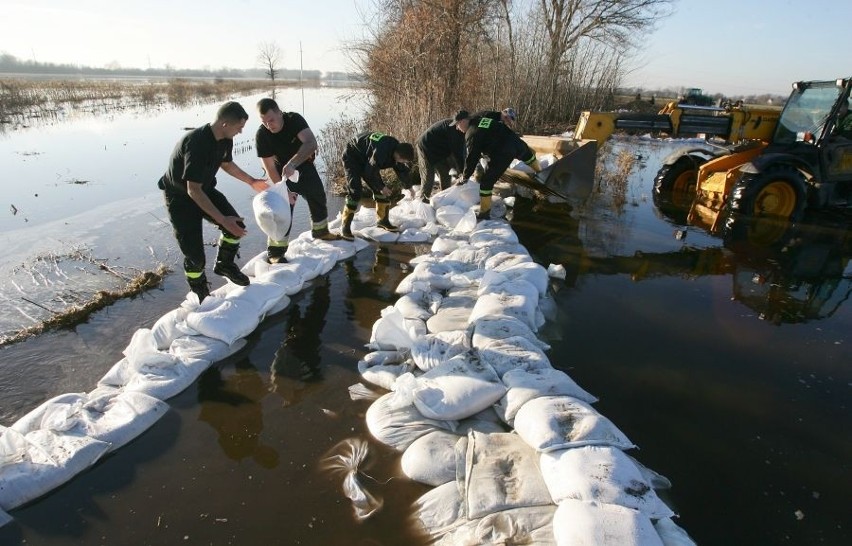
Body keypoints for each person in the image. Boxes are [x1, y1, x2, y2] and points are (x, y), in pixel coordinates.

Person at [158, 101, 268, 302]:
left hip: (205, 190)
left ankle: (225, 264)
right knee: (195, 257)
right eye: (239, 127)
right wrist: (222, 219)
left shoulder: (225, 139)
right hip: (180, 198)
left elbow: (226, 163)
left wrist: (251, 181)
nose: (241, 132)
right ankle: (199, 290)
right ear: (225, 124)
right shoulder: (197, 143)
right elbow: (193, 190)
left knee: (237, 224)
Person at [255, 98, 342, 264]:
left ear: (279, 113)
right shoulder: (262, 135)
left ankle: (321, 231)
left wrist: (293, 163)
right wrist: (284, 191)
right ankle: (275, 252)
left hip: (302, 165)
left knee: (317, 196)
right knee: (282, 210)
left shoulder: (294, 119)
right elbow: (269, 168)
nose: (269, 125)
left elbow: (311, 142)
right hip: (281, 174)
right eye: (264, 122)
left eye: (271, 120)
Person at [454, 110, 541, 221]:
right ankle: (541, 173)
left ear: (462, 121)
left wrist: (465, 177)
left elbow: (472, 158)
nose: (457, 128)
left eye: (457, 124)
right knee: (529, 157)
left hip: (502, 153)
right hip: (514, 141)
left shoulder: (471, 133)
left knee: (486, 182)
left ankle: (484, 212)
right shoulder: (480, 119)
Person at [339, 131, 414, 240]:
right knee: (355, 191)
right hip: (352, 156)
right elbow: (370, 173)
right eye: (403, 161)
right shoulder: (381, 152)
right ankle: (344, 227)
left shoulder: (397, 149)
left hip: (367, 157)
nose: (403, 163)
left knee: (381, 190)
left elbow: (401, 170)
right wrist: (381, 187)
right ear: (398, 155)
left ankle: (382, 221)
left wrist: (409, 187)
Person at [415, 115, 466, 202]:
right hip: (425, 146)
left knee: (445, 174)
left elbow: (462, 152)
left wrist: (461, 173)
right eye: (457, 125)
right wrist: (461, 173)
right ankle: (423, 201)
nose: (458, 127)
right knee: (428, 177)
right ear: (461, 122)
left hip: (440, 150)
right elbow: (458, 154)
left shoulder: (464, 130)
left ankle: (444, 199)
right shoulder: (454, 131)